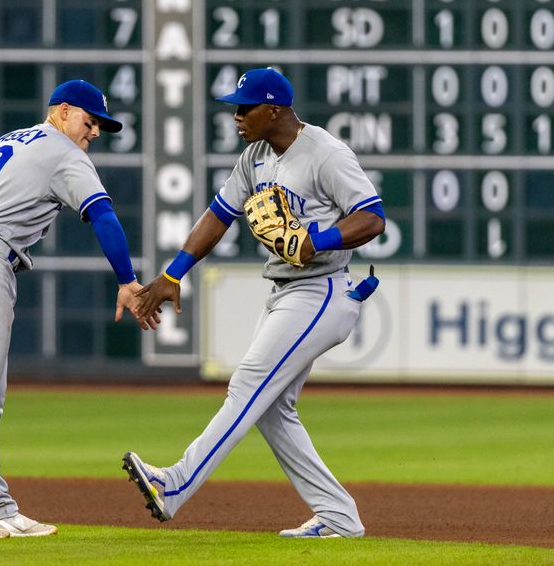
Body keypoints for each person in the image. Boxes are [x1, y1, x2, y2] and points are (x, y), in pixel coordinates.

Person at [122, 67, 385, 539]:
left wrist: (315, 239)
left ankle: (174, 484)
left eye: (245, 107)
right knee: (271, 408)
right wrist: (170, 274)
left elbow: (372, 218)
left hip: (323, 291)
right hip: (285, 291)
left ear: (275, 109)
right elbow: (219, 216)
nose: (237, 116)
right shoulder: (254, 157)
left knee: (248, 385)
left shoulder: (325, 153)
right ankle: (339, 517)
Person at [0, 79, 159, 538]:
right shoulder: (64, 152)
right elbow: (103, 215)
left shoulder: (5, 141)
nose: (94, 133)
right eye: (90, 121)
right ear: (62, 111)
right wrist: (128, 281)